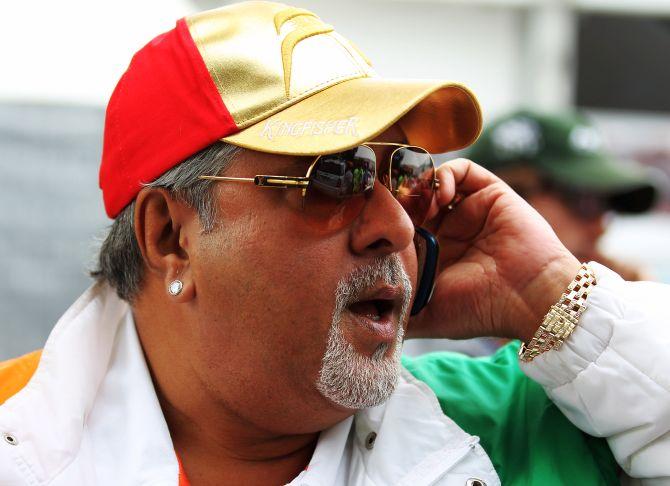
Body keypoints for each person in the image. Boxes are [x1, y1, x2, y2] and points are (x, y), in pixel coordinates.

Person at [0, 2, 669, 485]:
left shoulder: (509, 424)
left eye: (400, 172)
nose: (398, 225)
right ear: (170, 236)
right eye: (332, 175)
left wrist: (552, 295)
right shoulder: (20, 437)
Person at [466, 110, 660, 281]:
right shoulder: (443, 303)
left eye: (605, 205)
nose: (600, 228)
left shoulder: (615, 296)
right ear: (508, 197)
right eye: (585, 202)